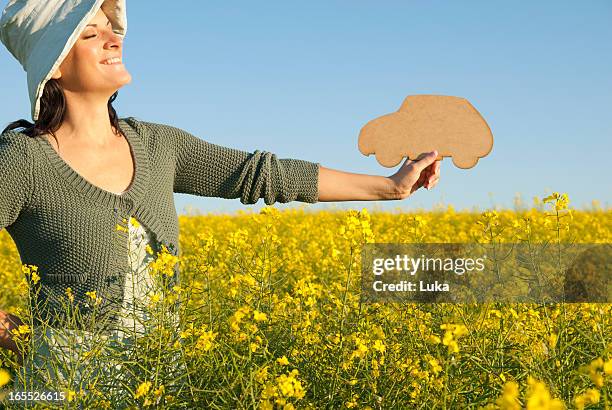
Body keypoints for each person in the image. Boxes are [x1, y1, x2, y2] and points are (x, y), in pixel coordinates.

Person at [0, 0, 441, 397]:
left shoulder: (157, 145)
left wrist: (392, 187)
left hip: (160, 384)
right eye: (91, 34)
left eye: (110, 29)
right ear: (53, 65)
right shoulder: (23, 159)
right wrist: (17, 335)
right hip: (57, 388)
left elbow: (261, 174)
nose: (114, 39)